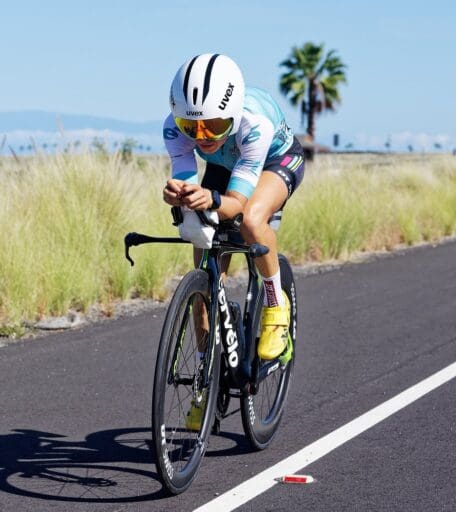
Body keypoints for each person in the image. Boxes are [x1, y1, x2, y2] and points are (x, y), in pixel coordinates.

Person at [161, 53, 305, 430]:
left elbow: (237, 204)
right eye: (192, 128)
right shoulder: (175, 130)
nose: (202, 138)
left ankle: (276, 307)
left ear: (233, 113)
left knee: (252, 221)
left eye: (214, 126)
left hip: (275, 161)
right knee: (203, 258)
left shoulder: (252, 125)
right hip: (227, 167)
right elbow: (191, 181)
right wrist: (181, 194)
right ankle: (206, 386)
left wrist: (211, 200)